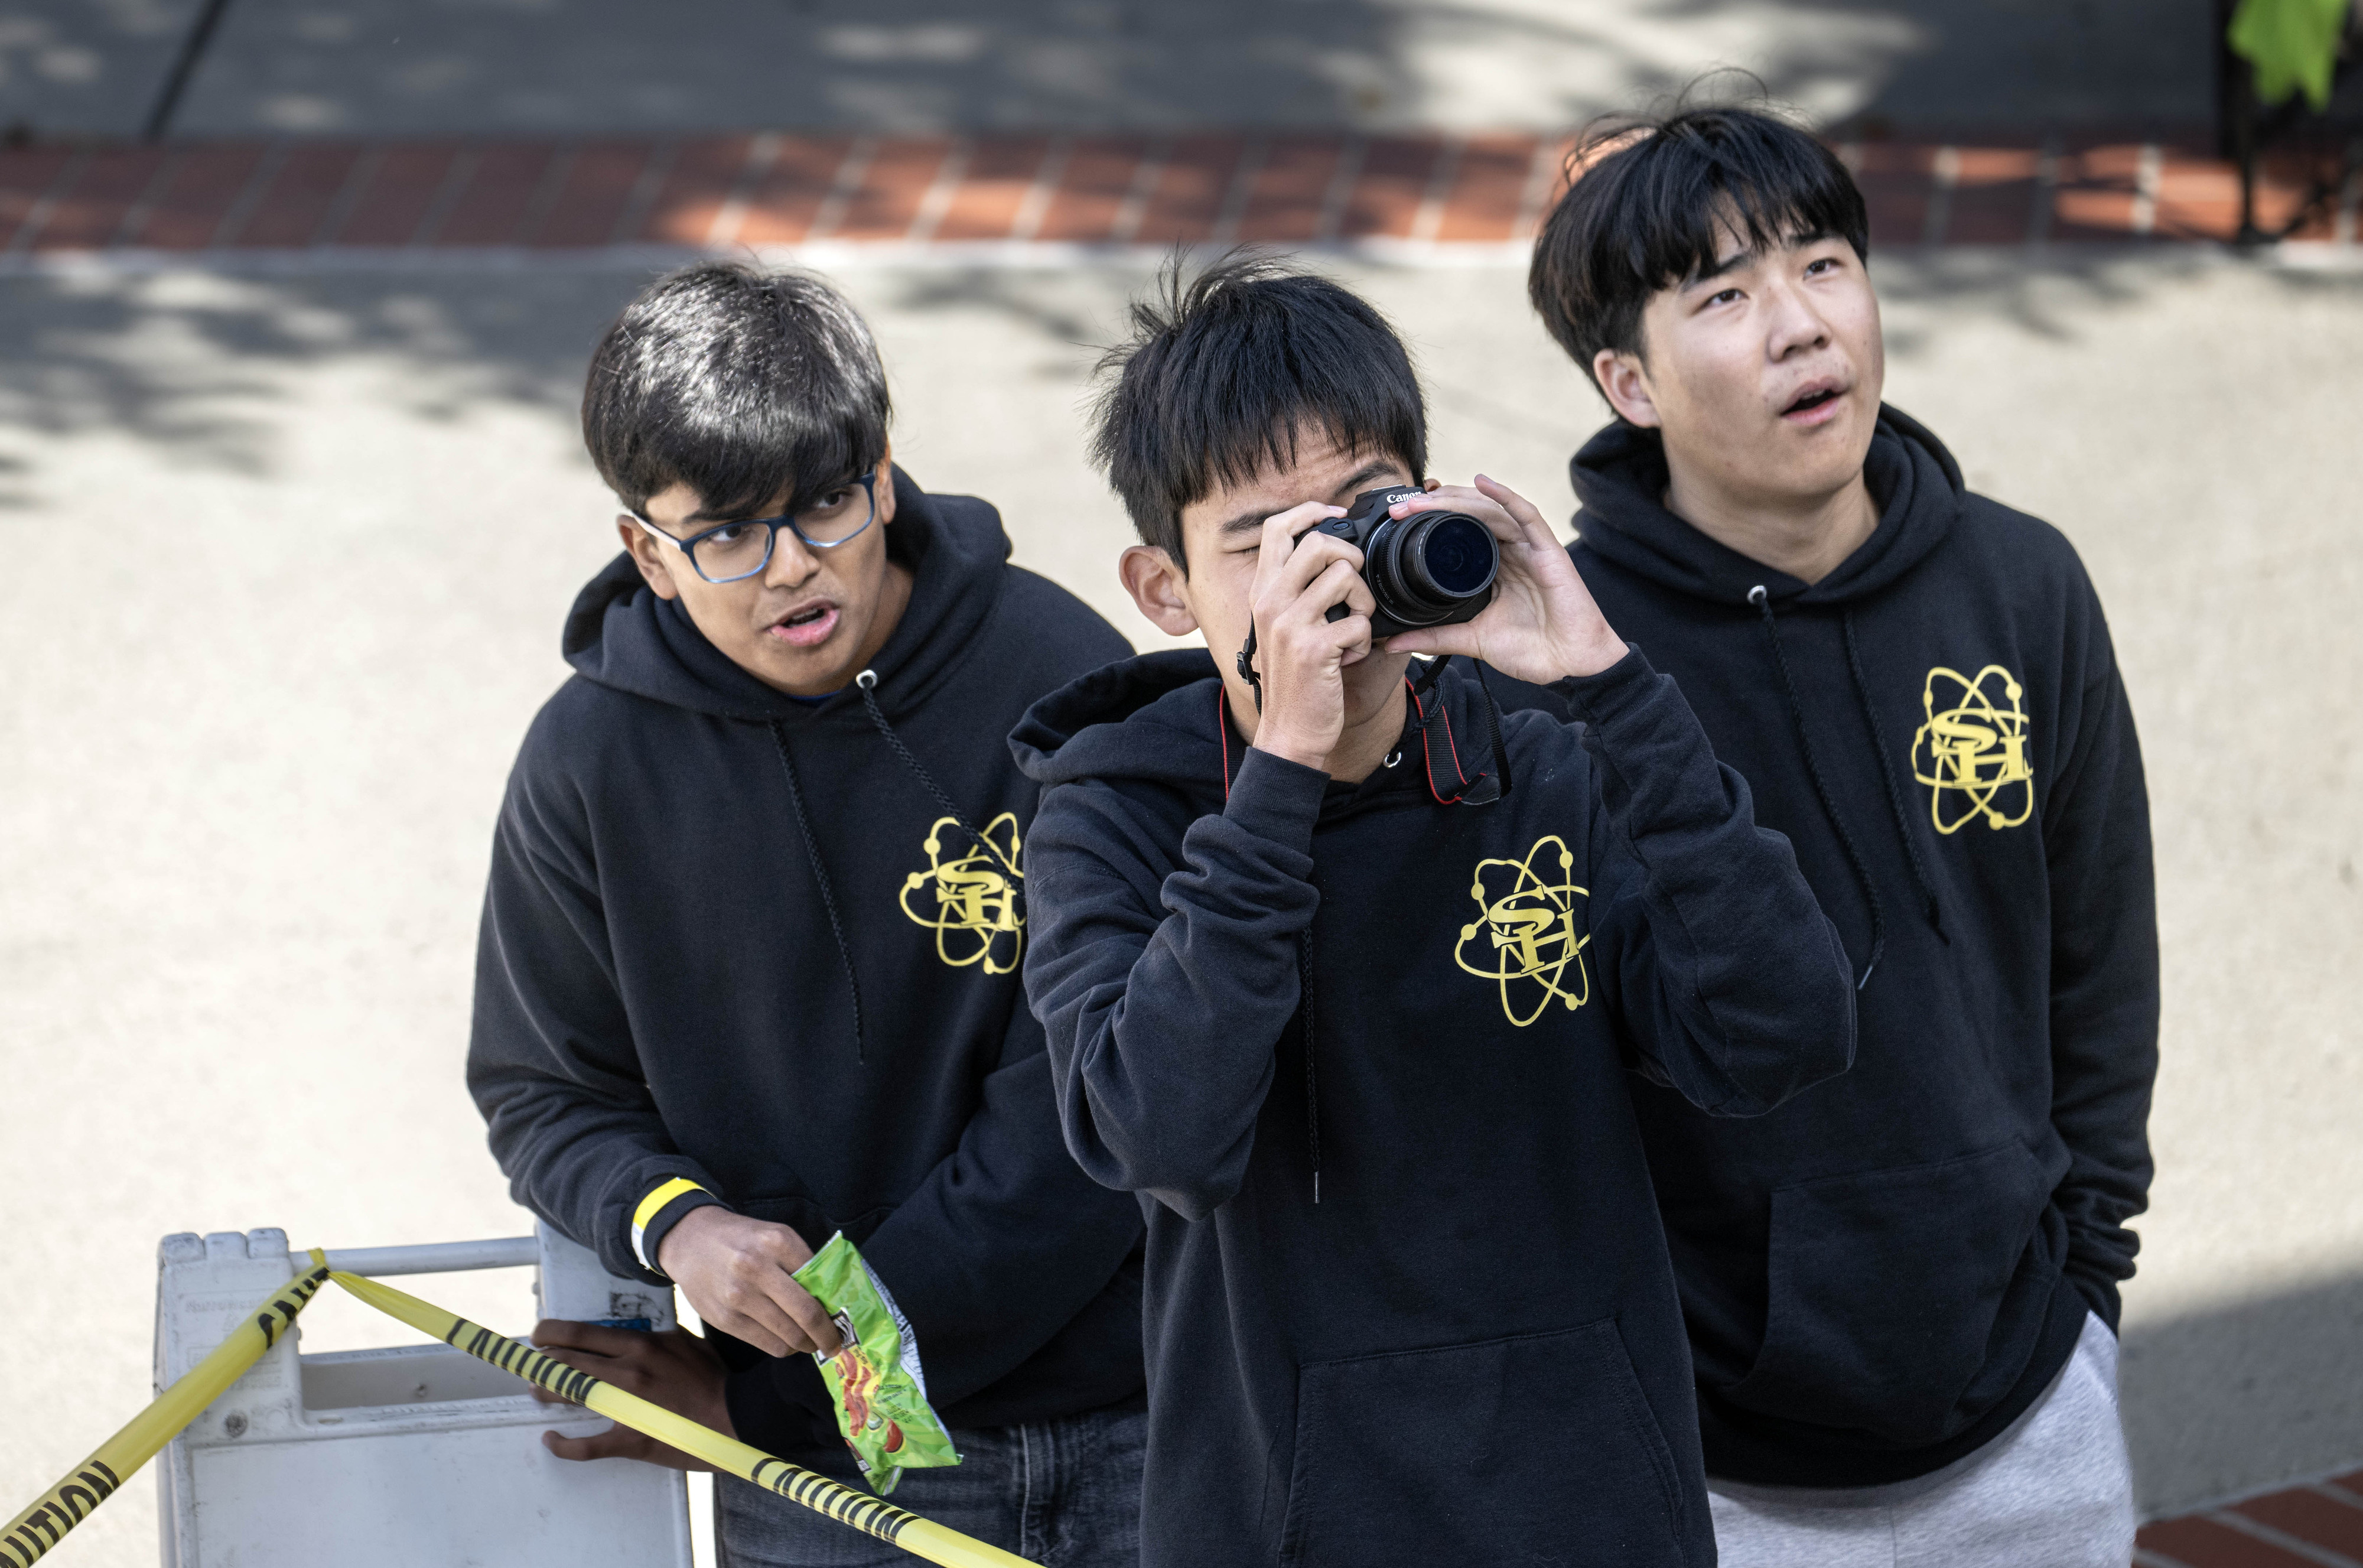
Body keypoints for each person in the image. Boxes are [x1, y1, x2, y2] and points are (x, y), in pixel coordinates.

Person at [1010, 253, 1857, 1568]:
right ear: (1163, 590)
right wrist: (1280, 773)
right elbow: (1161, 1137)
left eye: (1361, 510)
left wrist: (1611, 686)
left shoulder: (1548, 755)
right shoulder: (1112, 807)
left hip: (1591, 1517)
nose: (1327, 573)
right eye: (1263, 542)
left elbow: (1786, 1036)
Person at [1524, 105, 2157, 1566]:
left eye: (1821, 264)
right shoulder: (1559, 663)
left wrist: (2089, 1304)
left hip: (2031, 1406)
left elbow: (2097, 970)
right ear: (1626, 379)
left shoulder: (2019, 585)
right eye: (1723, 296)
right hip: (1718, 1471)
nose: (1798, 326)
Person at [464, 261, 1148, 1567]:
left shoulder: (1063, 681)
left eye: (825, 505)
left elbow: (1084, 1132)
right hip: (827, 1472)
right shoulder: (589, 762)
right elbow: (544, 1088)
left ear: (881, 475)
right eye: (725, 534)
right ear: (645, 554)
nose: (790, 569)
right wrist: (678, 1223)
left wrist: (780, 1392)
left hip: (1138, 1417)